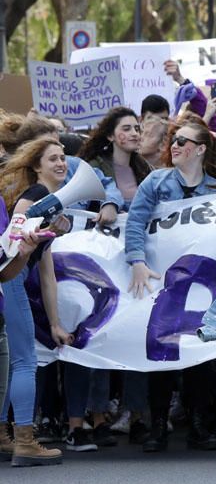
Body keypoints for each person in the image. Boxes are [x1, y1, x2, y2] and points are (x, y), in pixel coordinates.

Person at [126, 121, 216, 452]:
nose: (174, 145)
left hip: (200, 288)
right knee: (162, 352)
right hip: (162, 284)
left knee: (199, 357)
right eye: (173, 140)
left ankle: (198, 425)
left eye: (183, 141)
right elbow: (136, 221)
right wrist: (137, 261)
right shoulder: (155, 181)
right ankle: (158, 426)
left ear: (200, 149)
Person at [78, 107, 155, 446]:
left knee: (136, 333)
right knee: (103, 333)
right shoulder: (93, 169)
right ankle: (98, 415)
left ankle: (137, 413)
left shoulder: (146, 170)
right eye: (127, 128)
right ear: (110, 135)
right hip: (102, 262)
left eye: (138, 127)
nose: (136, 133)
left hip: (136, 262)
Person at [0, 138, 75, 463]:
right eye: (53, 159)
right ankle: (25, 440)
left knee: (11, 362)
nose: (61, 163)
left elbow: (46, 273)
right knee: (24, 360)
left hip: (13, 278)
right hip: (10, 279)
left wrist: (55, 322)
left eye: (63, 157)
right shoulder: (36, 197)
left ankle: (5, 434)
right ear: (36, 166)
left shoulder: (50, 201)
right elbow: (13, 242)